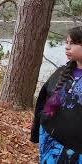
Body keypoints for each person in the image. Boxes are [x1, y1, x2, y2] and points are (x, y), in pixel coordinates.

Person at [31, 26, 82, 163]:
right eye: (66, 42)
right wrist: (41, 128)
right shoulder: (61, 73)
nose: (67, 47)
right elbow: (45, 104)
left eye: (73, 43)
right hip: (53, 145)